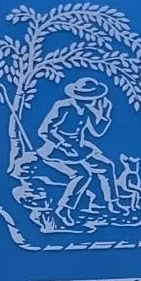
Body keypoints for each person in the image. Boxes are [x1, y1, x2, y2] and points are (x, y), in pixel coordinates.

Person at [35, 76, 117, 227]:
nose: (93, 99)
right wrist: (63, 145)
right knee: (82, 174)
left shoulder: (87, 110)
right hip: (57, 150)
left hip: (78, 149)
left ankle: (112, 203)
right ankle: (64, 209)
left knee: (107, 166)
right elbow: (44, 131)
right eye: (90, 96)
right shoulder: (63, 107)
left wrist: (105, 115)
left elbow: (97, 132)